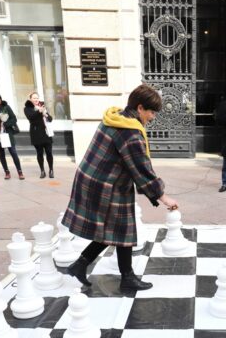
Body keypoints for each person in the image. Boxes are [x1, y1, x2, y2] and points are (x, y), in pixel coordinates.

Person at [62, 84, 178, 291]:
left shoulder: (115, 118)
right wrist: (163, 196)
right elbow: (141, 168)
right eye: (151, 112)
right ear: (140, 108)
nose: (152, 117)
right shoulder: (130, 133)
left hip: (99, 181)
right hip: (105, 185)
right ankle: (123, 277)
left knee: (119, 229)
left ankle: (87, 268)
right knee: (118, 229)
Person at [24, 92, 55, 178]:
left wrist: (45, 113)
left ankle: (51, 170)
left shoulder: (42, 106)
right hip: (36, 133)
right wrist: (39, 111)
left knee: (49, 152)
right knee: (39, 153)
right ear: (30, 99)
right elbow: (31, 117)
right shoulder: (27, 108)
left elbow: (50, 119)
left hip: (46, 133)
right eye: (34, 98)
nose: (36, 99)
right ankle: (42, 171)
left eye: (37, 98)